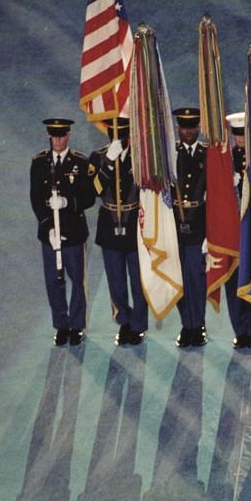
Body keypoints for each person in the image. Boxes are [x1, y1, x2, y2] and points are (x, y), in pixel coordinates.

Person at [30, 118, 95, 346]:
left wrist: (68, 202)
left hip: (74, 233)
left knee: (77, 279)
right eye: (54, 136)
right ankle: (61, 325)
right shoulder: (39, 163)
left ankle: (77, 326)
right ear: (49, 137)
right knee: (53, 281)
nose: (58, 140)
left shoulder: (79, 162)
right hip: (51, 235)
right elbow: (36, 198)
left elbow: (88, 198)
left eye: (62, 136)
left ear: (68, 136)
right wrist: (47, 226)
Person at [87, 117, 148, 346]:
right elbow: (94, 189)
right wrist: (110, 163)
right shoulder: (99, 157)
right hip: (109, 223)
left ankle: (139, 324)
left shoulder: (141, 157)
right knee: (115, 279)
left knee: (138, 279)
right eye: (115, 137)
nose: (119, 142)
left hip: (134, 223)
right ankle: (123, 320)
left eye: (122, 137)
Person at [225, 112, 251, 350]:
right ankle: (239, 329)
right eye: (236, 136)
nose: (240, 140)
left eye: (243, 135)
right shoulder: (225, 160)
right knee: (232, 280)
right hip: (231, 230)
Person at [172, 106, 208, 348]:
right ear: (178, 128)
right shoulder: (169, 153)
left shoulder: (208, 155)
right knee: (179, 279)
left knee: (196, 278)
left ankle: (199, 325)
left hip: (199, 225)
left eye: (192, 127)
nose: (188, 132)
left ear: (198, 128)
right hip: (173, 226)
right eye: (184, 127)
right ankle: (186, 325)